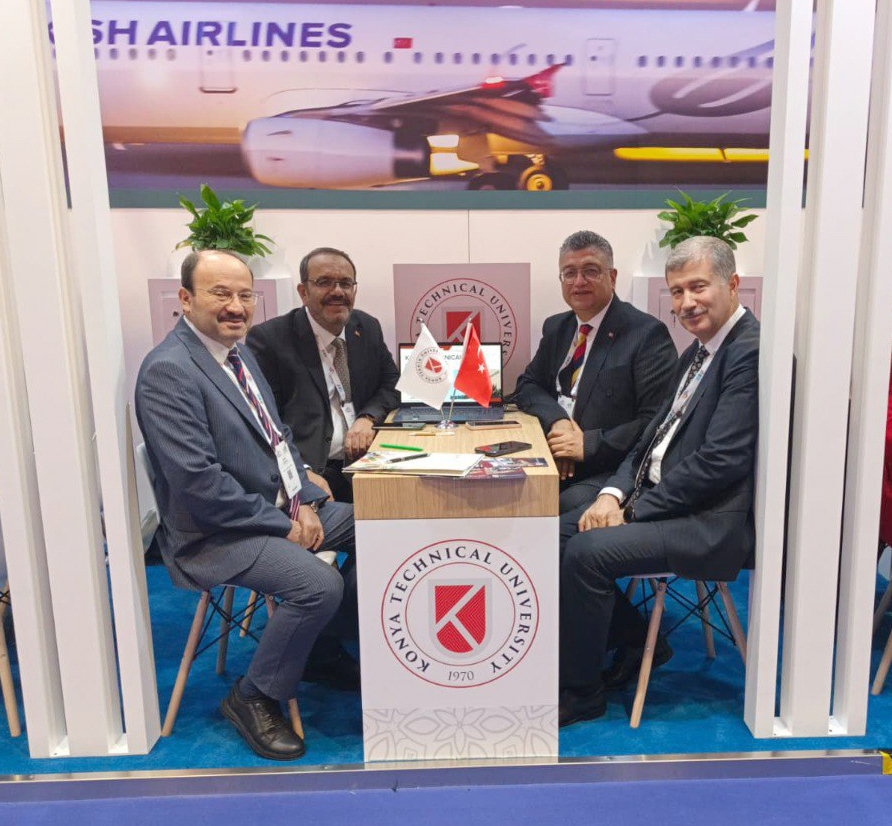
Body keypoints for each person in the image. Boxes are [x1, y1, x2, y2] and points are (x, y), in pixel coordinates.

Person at [135, 249, 357, 761]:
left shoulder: (237, 353)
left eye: (244, 295)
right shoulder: (168, 371)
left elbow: (277, 437)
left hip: (272, 510)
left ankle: (317, 649)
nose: (236, 306)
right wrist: (283, 522)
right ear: (185, 299)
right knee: (317, 584)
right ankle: (254, 695)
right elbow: (199, 485)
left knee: (383, 528)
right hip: (215, 534)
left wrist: (303, 498)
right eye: (220, 293)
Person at [558, 236, 760, 726]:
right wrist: (613, 493)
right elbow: (648, 440)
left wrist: (629, 511)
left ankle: (581, 693)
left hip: (707, 520)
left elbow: (721, 462)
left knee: (586, 552)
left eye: (698, 287)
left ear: (733, 284)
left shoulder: (749, 352)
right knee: (553, 534)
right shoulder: (698, 352)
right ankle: (624, 642)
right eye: (677, 291)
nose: (686, 303)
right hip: (661, 501)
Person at [515, 230, 677, 513]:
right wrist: (559, 423)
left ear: (612, 277)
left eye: (590, 271)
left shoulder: (646, 334)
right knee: (504, 489)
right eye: (569, 273)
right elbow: (528, 384)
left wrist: (587, 444)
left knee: (549, 507)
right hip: (557, 453)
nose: (579, 282)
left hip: (610, 467)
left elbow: (656, 421)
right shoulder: (557, 327)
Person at [247, 247, 400, 503]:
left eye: (345, 283)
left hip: (367, 460)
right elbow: (265, 421)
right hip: (316, 470)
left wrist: (368, 417)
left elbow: (391, 383)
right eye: (324, 282)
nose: (337, 291)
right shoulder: (270, 339)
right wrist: (302, 472)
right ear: (303, 292)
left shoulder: (366, 326)